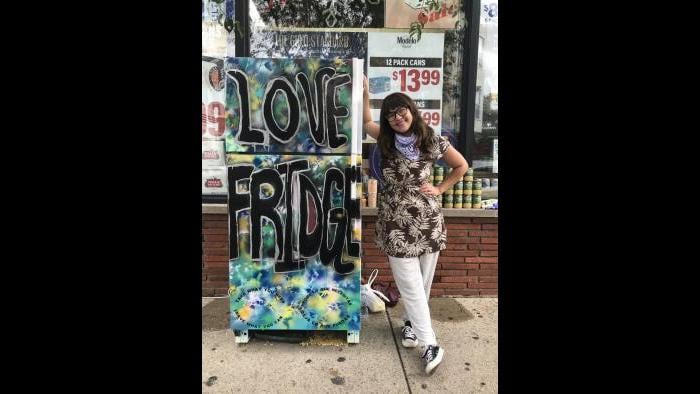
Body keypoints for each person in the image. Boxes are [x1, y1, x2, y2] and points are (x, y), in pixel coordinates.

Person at [363, 76, 469, 375]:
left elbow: (461, 165)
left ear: (411, 110)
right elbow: (367, 120)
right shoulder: (383, 137)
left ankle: (410, 325)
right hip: (395, 223)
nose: (397, 118)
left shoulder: (432, 139)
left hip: (427, 221)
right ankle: (430, 343)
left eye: (401, 111)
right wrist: (367, 93)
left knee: (422, 281)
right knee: (410, 284)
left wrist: (441, 188)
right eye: (391, 114)